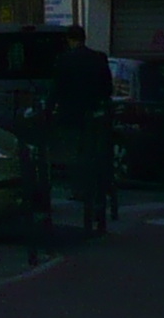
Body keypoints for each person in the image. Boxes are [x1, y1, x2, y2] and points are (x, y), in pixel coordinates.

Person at [48, 23, 115, 235]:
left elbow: (57, 89)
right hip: (96, 117)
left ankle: (81, 192)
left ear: (70, 39)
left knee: (76, 156)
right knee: (96, 156)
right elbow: (107, 88)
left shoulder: (64, 60)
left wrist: (49, 110)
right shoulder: (99, 58)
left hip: (72, 117)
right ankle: (98, 197)